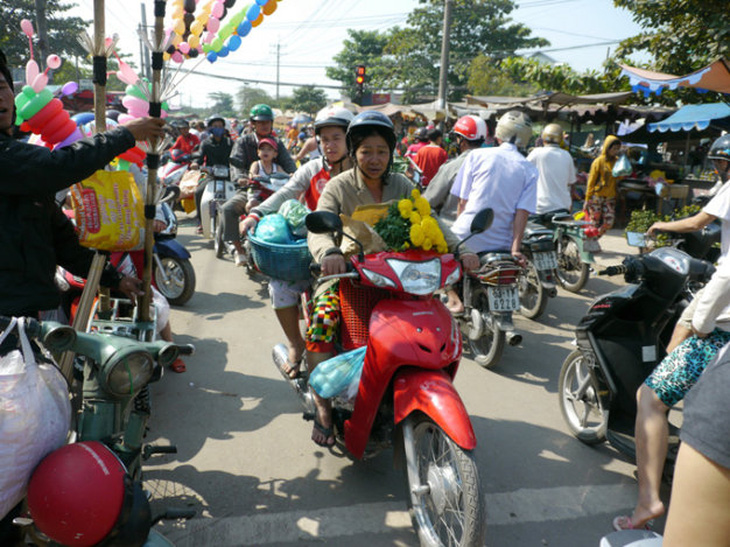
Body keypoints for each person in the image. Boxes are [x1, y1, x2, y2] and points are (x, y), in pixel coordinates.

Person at [306, 111, 479, 446]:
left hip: (399, 276)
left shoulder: (402, 184)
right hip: (350, 276)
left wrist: (461, 249)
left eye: (381, 151)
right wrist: (328, 253)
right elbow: (317, 227)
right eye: (366, 151)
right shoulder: (339, 186)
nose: (374, 159)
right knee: (323, 320)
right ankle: (323, 405)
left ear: (391, 153)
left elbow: (430, 219)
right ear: (354, 152)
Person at [0, 49, 163, 319]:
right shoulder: (14, 160)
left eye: (2, 87)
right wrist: (124, 135)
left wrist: (114, 279)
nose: (0, 96)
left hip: (26, 308)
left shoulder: (23, 172)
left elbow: (62, 240)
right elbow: (58, 166)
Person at [613, 256, 730, 531]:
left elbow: (723, 280)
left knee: (649, 398)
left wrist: (701, 324)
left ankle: (648, 501)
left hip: (719, 336)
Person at [240, 106, 355, 379]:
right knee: (280, 286)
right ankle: (295, 342)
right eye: (324, 139)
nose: (330, 145)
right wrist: (255, 214)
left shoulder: (365, 170)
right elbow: (287, 192)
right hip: (317, 249)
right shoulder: (313, 168)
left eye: (336, 138)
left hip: (359, 252)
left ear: (352, 139)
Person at [443, 110, 538, 314]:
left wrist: (459, 240)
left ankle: (453, 298)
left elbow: (463, 202)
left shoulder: (477, 155)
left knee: (438, 254)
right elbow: (522, 213)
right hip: (503, 245)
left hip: (469, 235)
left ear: (498, 133)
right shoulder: (529, 169)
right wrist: (515, 249)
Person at [646, 134, 730, 353]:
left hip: (727, 276)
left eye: (719, 163)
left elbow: (697, 223)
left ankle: (670, 380)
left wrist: (661, 225)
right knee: (696, 324)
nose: (717, 168)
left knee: (695, 326)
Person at [661, 346, 730, 546]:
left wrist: (672, 352)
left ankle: (646, 501)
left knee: (648, 399)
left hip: (700, 349)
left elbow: (700, 324)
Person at [224, 104, 297, 265]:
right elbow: (236, 164)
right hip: (252, 190)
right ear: (252, 124)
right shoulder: (243, 142)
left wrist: (294, 174)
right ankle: (239, 249)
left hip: (276, 191)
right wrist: (241, 178)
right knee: (228, 209)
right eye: (260, 122)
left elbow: (289, 164)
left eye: (267, 121)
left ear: (271, 123)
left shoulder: (277, 142)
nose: (264, 125)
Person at [423, 115, 487, 226]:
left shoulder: (452, 167)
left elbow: (429, 200)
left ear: (462, 141)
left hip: (451, 231)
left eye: (458, 137)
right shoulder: (491, 165)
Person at [191, 114, 234, 234]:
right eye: (215, 126)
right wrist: (195, 163)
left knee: (240, 193)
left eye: (220, 126)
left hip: (229, 176)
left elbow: (236, 158)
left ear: (225, 128)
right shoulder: (206, 143)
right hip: (211, 176)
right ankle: (200, 221)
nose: (218, 128)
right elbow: (199, 157)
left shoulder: (231, 143)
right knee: (199, 192)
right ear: (210, 128)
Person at [526, 123, 577, 214]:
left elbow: (523, 172)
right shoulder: (567, 155)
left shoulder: (537, 153)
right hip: (562, 208)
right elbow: (571, 182)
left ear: (543, 138)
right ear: (561, 139)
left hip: (540, 208)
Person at [584, 135, 621, 235]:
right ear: (607, 148)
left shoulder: (617, 161)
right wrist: (587, 199)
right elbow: (591, 181)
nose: (616, 151)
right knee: (594, 222)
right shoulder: (598, 162)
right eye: (614, 149)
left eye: (618, 149)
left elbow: (618, 177)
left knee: (609, 223)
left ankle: (596, 237)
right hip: (597, 196)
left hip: (610, 197)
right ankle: (591, 242)